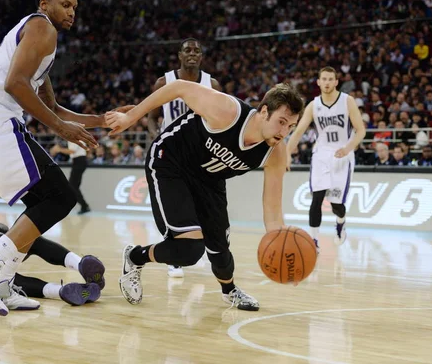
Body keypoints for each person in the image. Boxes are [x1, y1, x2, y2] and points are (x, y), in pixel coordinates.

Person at [0, 0, 125, 316]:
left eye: (75, 6)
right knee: (60, 196)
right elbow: (15, 84)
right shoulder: (41, 27)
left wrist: (101, 120)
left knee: (41, 205)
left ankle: (1, 282)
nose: (72, 11)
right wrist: (61, 129)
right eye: (65, 3)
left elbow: (56, 108)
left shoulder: (41, 41)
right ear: (43, 4)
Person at [106, 82, 304, 311]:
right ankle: (135, 256)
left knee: (220, 251)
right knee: (189, 250)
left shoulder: (276, 153)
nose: (284, 132)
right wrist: (130, 117)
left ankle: (229, 290)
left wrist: (286, 256)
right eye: (281, 122)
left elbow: (272, 214)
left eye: (291, 125)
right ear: (264, 111)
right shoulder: (226, 111)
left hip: (209, 180)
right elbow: (178, 87)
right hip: (171, 163)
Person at [148, 38, 222, 279]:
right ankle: (174, 257)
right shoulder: (164, 82)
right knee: (174, 208)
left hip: (201, 156)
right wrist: (157, 137)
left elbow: (221, 119)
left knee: (200, 208)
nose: (192, 53)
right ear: (179, 55)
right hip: (172, 156)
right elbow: (151, 117)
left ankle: (199, 254)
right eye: (187, 50)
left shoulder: (212, 84)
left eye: (197, 50)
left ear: (201, 56)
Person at [286, 67, 366, 249]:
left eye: (331, 79)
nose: (328, 82)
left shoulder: (348, 101)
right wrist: (287, 154)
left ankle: (340, 221)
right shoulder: (314, 105)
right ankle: (314, 242)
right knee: (317, 198)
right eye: (324, 79)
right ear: (319, 82)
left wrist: (348, 148)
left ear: (336, 82)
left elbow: (361, 130)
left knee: (336, 203)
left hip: (342, 154)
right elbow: (298, 131)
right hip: (321, 154)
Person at [51, 141, 90, 214]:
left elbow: (72, 151)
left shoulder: (75, 138)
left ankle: (84, 206)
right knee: (74, 186)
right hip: (78, 162)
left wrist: (59, 149)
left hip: (79, 161)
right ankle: (84, 206)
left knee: (72, 186)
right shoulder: (74, 138)